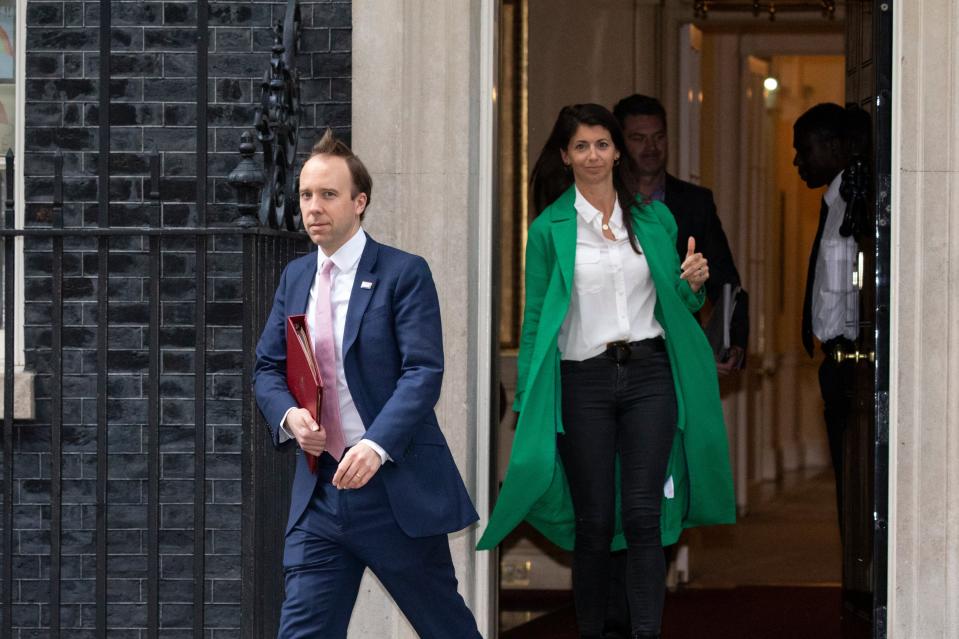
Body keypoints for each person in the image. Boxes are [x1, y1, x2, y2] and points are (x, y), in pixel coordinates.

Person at [477, 104, 735, 639]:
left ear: (617, 151)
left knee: (643, 516)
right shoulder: (548, 229)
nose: (592, 155)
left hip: (650, 375)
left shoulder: (654, 219)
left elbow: (683, 303)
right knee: (594, 523)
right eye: (580, 146)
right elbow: (534, 320)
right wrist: (527, 394)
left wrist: (695, 281)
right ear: (566, 157)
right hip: (582, 381)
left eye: (601, 144)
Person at [253, 129, 481, 638]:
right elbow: (266, 368)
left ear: (360, 202)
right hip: (321, 495)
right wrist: (291, 417)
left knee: (446, 627)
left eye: (328, 195)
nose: (314, 207)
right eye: (306, 195)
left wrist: (376, 445)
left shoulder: (403, 273)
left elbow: (423, 371)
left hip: (392, 493)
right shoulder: (295, 278)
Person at [613, 93, 749, 375]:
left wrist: (732, 342)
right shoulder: (603, 202)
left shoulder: (695, 202)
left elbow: (724, 280)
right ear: (619, 144)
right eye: (638, 138)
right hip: (614, 354)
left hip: (679, 354)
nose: (651, 147)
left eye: (658, 137)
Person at [792, 103, 860, 538]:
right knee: (846, 485)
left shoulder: (857, 202)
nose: (798, 162)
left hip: (856, 365)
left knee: (856, 486)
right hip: (834, 363)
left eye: (804, 150)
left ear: (833, 147)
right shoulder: (833, 201)